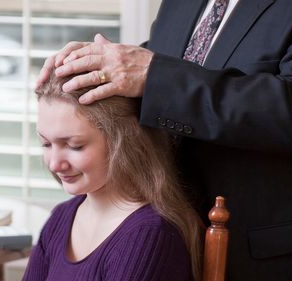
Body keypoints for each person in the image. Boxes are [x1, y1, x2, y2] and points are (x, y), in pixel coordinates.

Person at [37, 0, 292, 280]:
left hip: (284, 258)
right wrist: (95, 66)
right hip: (180, 241)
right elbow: (170, 72)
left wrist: (150, 73)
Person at [22, 69, 203, 281]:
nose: (54, 163)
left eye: (74, 146)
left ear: (123, 142)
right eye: (46, 143)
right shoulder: (61, 218)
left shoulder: (149, 237)